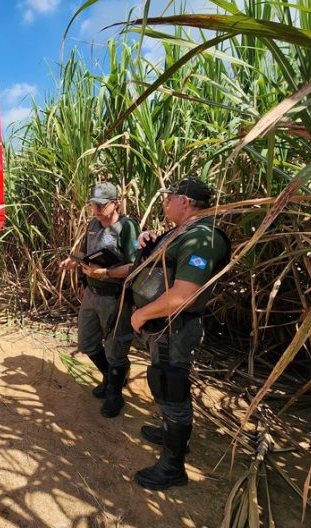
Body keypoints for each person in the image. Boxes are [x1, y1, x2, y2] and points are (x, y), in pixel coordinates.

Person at [128, 177, 230, 490]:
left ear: (184, 201)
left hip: (176, 328)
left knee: (172, 387)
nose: (164, 203)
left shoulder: (203, 238)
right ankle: (170, 433)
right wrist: (148, 240)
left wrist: (142, 313)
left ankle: (173, 466)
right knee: (162, 382)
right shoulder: (181, 231)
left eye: (168, 198)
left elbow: (183, 294)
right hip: (162, 329)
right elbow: (166, 262)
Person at [59, 182, 140, 418]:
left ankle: (115, 392)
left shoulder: (127, 227)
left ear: (115, 203)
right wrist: (74, 262)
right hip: (92, 295)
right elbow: (87, 253)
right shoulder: (93, 224)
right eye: (93, 204)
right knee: (87, 342)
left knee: (116, 347)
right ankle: (110, 375)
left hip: (116, 297)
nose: (95, 209)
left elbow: (136, 266)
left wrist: (105, 273)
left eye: (101, 205)